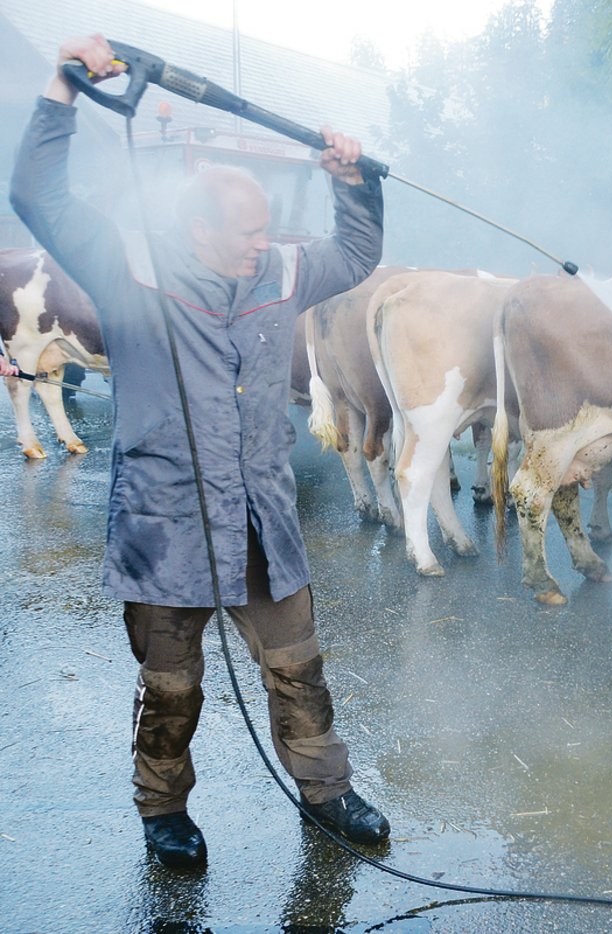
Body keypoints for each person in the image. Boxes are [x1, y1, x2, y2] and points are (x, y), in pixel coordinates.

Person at [11, 34, 391, 870]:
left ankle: (327, 793)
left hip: (261, 522)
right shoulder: (129, 269)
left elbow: (357, 253)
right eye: (248, 232)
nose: (264, 242)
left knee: (299, 669)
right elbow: (37, 193)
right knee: (171, 685)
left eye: (267, 229)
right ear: (197, 226)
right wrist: (63, 88)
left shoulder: (281, 272)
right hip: (165, 527)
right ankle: (163, 810)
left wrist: (352, 181)